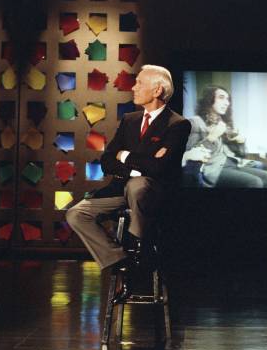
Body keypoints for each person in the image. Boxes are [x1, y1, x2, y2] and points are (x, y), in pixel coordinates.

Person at [66, 65, 191, 291]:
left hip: (154, 192)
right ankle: (121, 261)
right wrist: (135, 166)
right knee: (76, 214)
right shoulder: (130, 120)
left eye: (140, 83)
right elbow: (107, 160)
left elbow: (159, 167)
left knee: (138, 185)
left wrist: (126, 156)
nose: (133, 87)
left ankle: (139, 246)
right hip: (120, 188)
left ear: (157, 90)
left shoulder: (178, 124)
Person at [183, 85, 267, 188]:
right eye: (221, 97)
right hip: (213, 169)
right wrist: (212, 137)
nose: (227, 102)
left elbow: (241, 154)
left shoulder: (223, 124)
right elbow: (190, 156)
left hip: (233, 164)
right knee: (255, 182)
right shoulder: (195, 121)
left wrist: (241, 142)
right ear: (209, 99)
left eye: (228, 99)